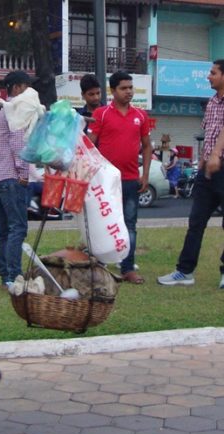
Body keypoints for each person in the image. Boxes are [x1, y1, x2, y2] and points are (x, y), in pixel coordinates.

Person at [158, 59, 224, 289]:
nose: (208, 76)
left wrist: (216, 154)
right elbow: (208, 133)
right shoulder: (212, 103)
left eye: (213, 73)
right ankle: (184, 271)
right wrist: (205, 163)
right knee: (196, 221)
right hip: (208, 171)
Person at [88, 71, 152, 284]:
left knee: (129, 225)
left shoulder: (141, 116)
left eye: (131, 88)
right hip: (105, 181)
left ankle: (127, 267)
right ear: (113, 91)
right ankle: (100, 265)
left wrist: (146, 174)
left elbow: (147, 146)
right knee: (102, 223)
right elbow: (90, 143)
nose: (129, 92)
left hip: (131, 179)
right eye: (124, 88)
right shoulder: (101, 114)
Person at [0, 70, 33, 289]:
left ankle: (5, 276)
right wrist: (24, 172)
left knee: (2, 230)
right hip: (12, 176)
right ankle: (15, 276)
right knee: (18, 228)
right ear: (16, 87)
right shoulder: (17, 109)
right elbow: (18, 144)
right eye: (26, 87)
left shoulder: (2, 111)